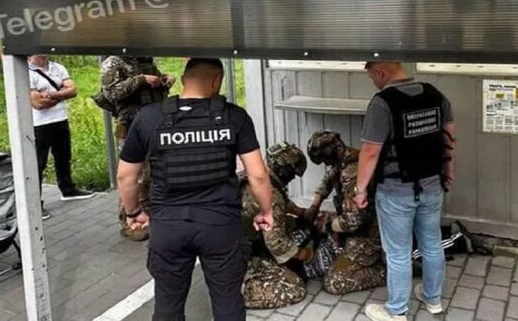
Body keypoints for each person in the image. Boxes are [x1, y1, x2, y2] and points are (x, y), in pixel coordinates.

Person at [117, 58, 273, 321]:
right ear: (217, 80)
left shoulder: (149, 116)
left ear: (183, 79)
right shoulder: (234, 116)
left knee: (167, 306)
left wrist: (133, 212)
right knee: (228, 303)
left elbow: (126, 176)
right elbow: (258, 174)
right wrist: (266, 211)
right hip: (220, 227)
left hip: (168, 227)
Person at [354, 62, 456, 321]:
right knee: (432, 244)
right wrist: (449, 171)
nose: (374, 82)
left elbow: (370, 151)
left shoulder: (382, 103)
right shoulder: (435, 95)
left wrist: (360, 189)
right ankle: (433, 299)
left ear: (380, 71)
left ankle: (397, 310)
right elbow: (449, 139)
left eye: (372, 77)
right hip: (432, 185)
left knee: (398, 252)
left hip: (396, 191)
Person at [98, 55, 174, 241]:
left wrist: (164, 81)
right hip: (131, 127)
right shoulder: (114, 62)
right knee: (133, 175)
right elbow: (111, 93)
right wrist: (141, 80)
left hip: (155, 124)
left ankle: (149, 216)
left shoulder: (146, 61)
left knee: (152, 173)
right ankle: (129, 220)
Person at [305, 131, 386, 296]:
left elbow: (352, 220)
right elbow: (328, 180)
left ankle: (388, 271)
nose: (326, 164)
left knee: (334, 282)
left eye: (325, 160)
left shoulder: (352, 171)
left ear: (330, 153)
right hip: (358, 228)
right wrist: (314, 207)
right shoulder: (342, 160)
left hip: (370, 235)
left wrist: (328, 225)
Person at [241, 141, 311, 309]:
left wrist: (300, 212)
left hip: (225, 244)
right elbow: (276, 243)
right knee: (295, 287)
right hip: (240, 254)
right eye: (292, 174)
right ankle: (241, 291)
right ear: (284, 171)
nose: (292, 179)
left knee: (290, 223)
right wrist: (302, 254)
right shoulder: (272, 195)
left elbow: (280, 202)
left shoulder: (255, 176)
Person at [28, 54, 96, 220]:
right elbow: (38, 104)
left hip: (60, 119)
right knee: (38, 163)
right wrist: (61, 93)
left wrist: (50, 95)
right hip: (39, 124)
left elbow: (73, 91)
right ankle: (35, 203)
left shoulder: (58, 68)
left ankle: (68, 190)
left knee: (63, 157)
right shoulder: (26, 72)